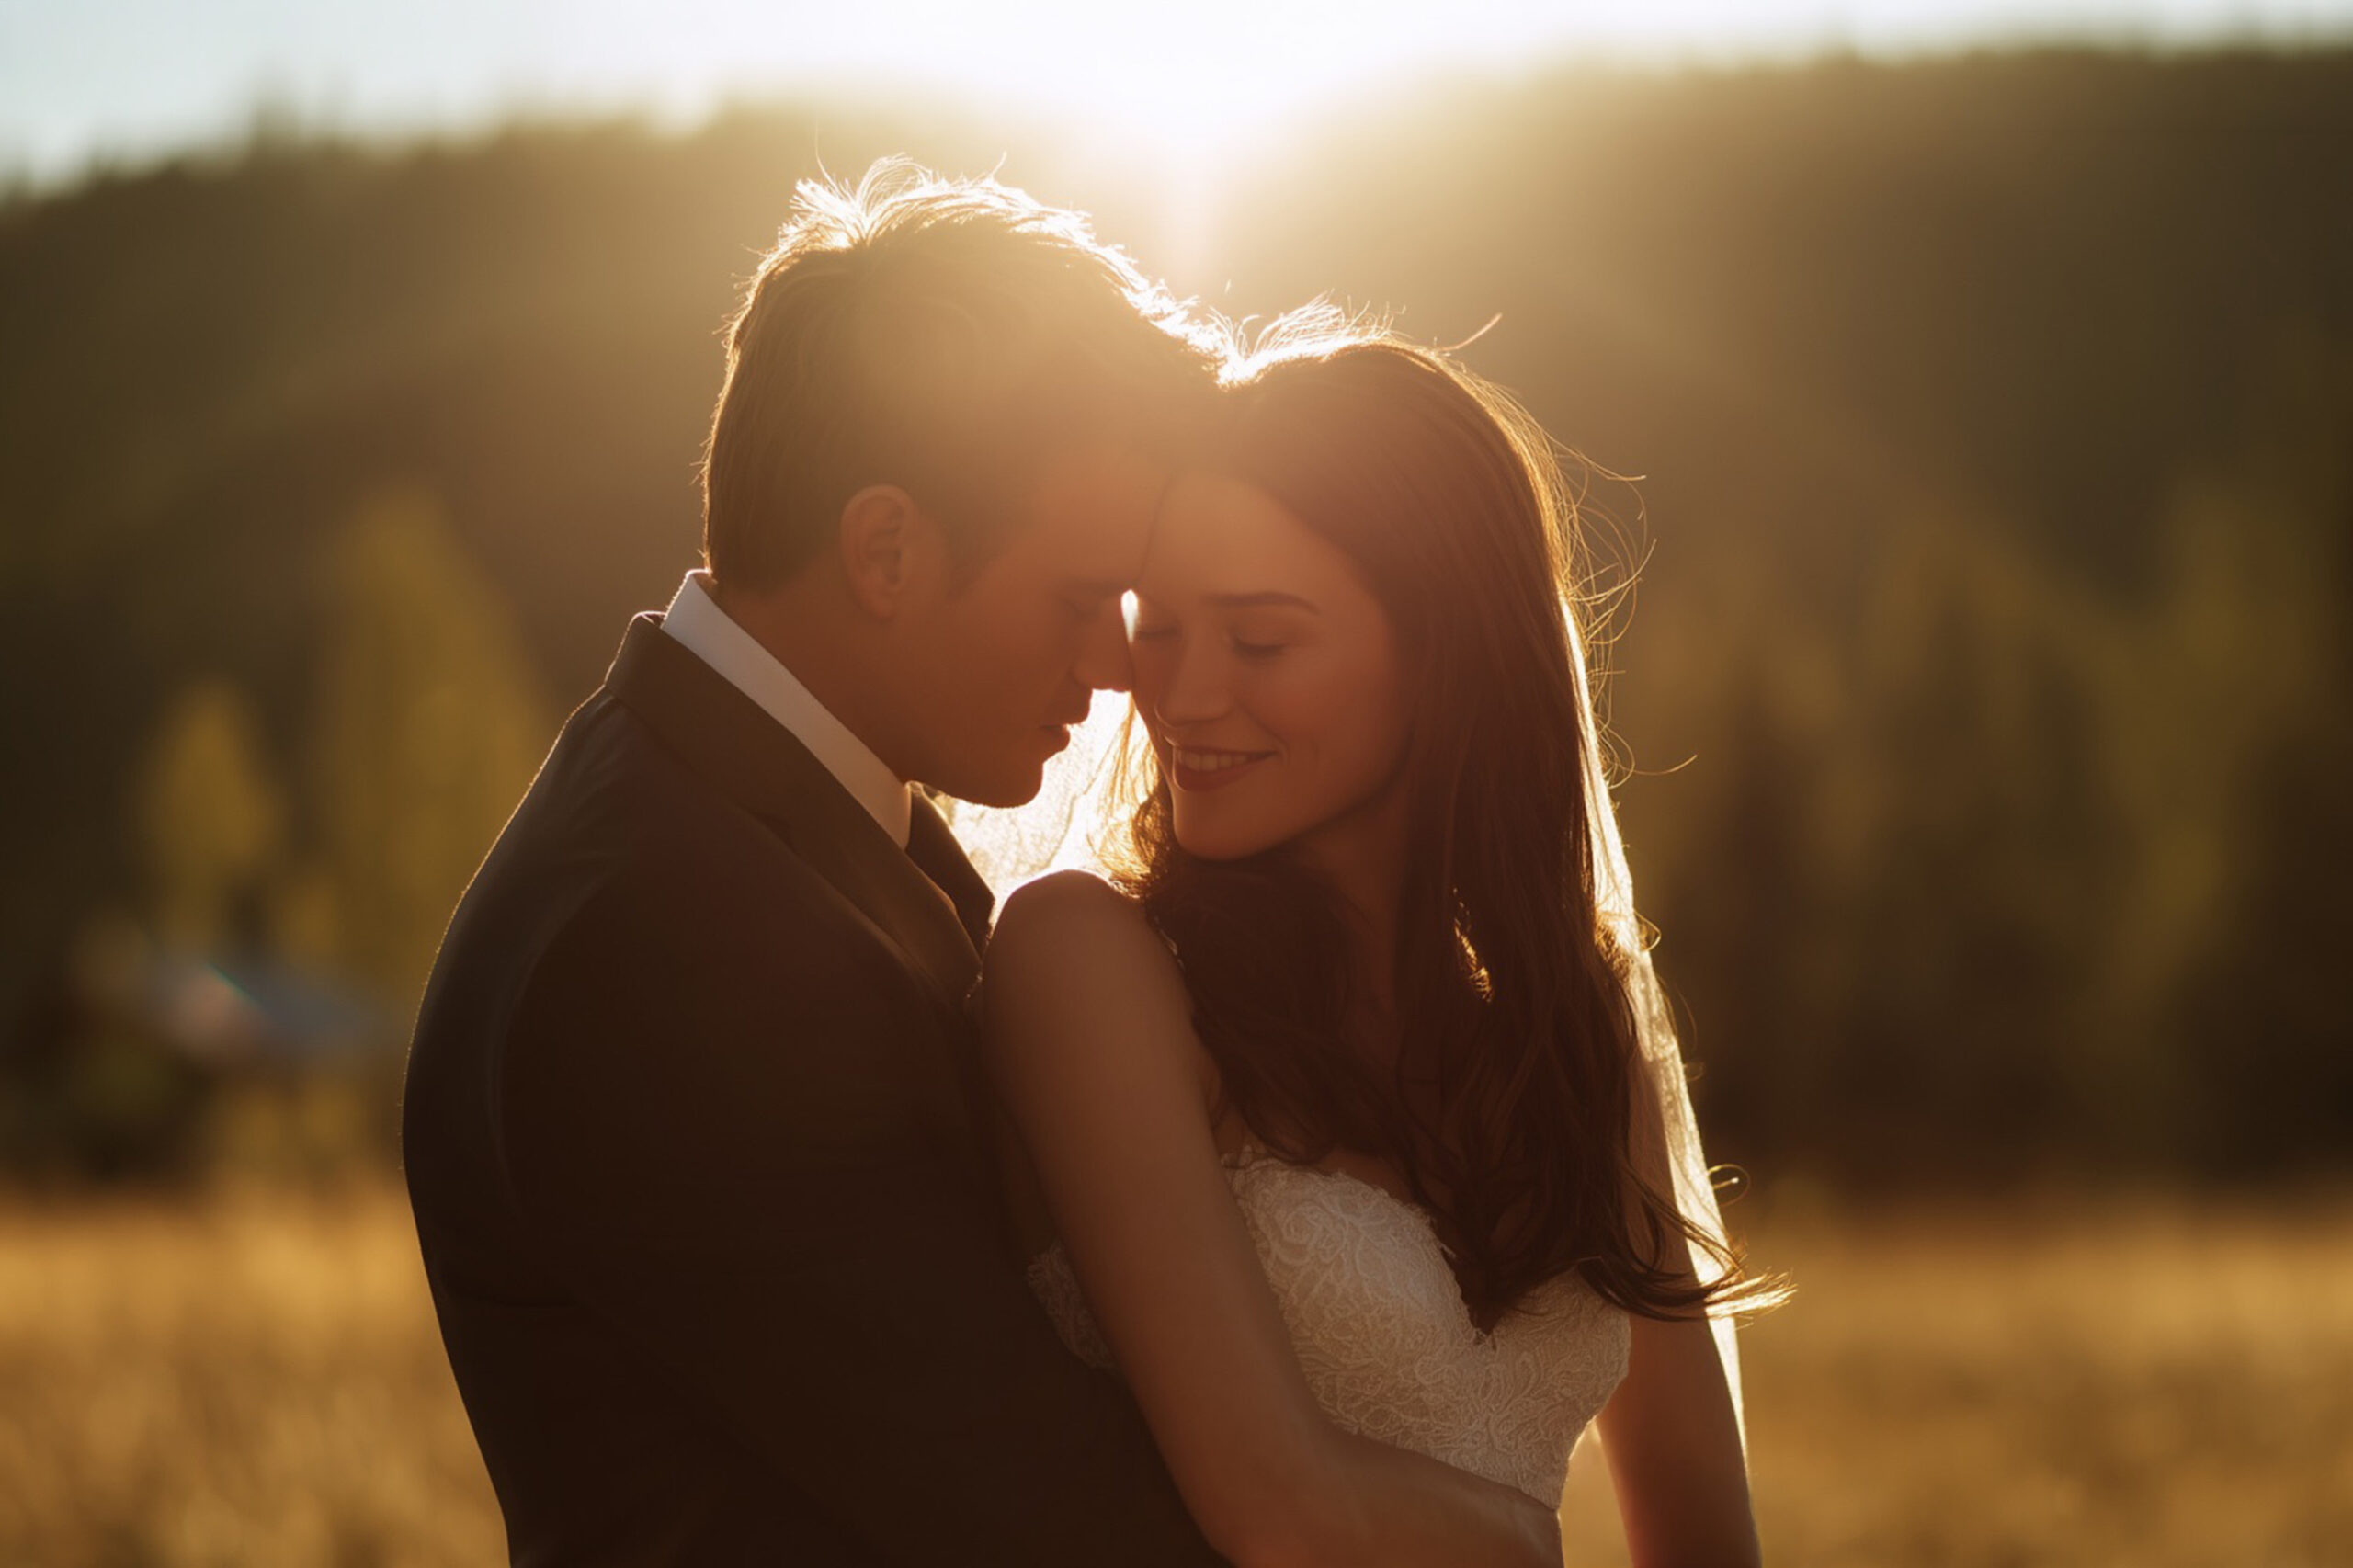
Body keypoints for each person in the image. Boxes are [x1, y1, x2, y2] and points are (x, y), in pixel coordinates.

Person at [405, 161, 1261, 1564]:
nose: (1118, 666)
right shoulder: (658, 936)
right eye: (1075, 595)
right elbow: (1030, 1514)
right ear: (885, 549)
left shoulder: (755, 818)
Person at [981, 315, 1779, 1568]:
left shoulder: (1572, 1038)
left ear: (1442, 657)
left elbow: (1704, 1532)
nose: (1184, 696)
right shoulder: (1091, 963)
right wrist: (1527, 1546)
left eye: (1260, 638)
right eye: (1162, 627)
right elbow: (1275, 1507)